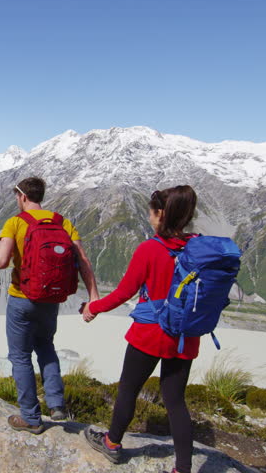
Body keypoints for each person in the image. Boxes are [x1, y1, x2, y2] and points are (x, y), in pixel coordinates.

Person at [82, 185, 199, 473]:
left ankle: (112, 443)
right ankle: (183, 468)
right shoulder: (200, 248)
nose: (149, 217)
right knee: (175, 401)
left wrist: (92, 308)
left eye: (151, 212)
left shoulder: (150, 249)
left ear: (160, 214)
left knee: (128, 389)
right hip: (185, 335)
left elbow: (123, 293)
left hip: (150, 333)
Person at [0, 176, 100, 434]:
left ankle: (30, 417)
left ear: (22, 196)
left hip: (22, 298)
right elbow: (83, 260)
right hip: (52, 300)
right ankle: (55, 404)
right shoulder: (62, 222)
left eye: (16, 197)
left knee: (20, 356)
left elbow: (1, 262)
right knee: (45, 346)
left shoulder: (15, 222)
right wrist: (94, 297)